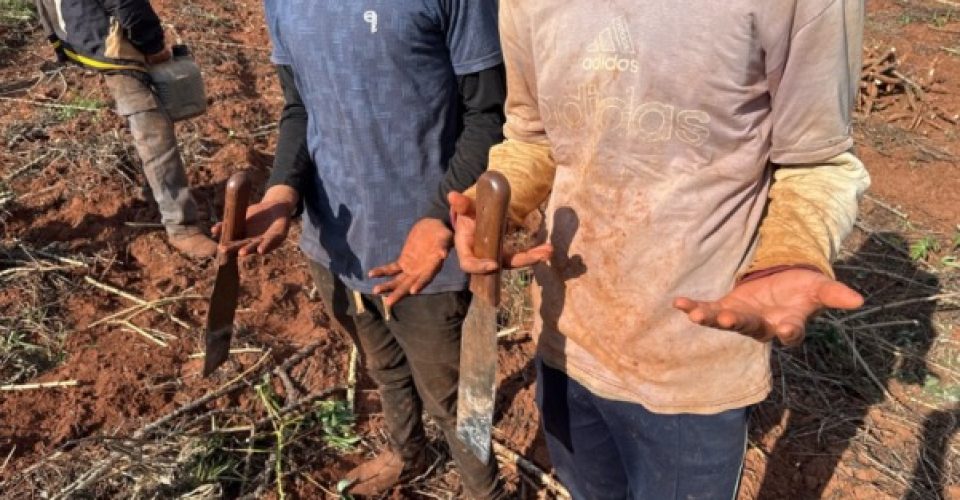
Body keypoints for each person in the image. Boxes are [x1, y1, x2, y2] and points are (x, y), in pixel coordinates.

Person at [443, 1, 871, 498]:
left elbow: (816, 162)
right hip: (567, 338)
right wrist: (492, 208)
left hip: (690, 362)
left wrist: (792, 251)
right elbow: (534, 138)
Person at [222, 1, 507, 497]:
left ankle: (486, 490)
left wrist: (439, 214)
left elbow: (489, 111)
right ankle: (405, 451)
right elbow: (299, 109)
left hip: (425, 253)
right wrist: (282, 192)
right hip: (335, 242)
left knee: (457, 397)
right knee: (381, 362)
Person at [34, 0, 216, 258]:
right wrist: (153, 45)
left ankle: (157, 195)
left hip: (85, 36)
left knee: (149, 130)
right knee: (154, 133)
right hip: (114, 44)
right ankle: (182, 227)